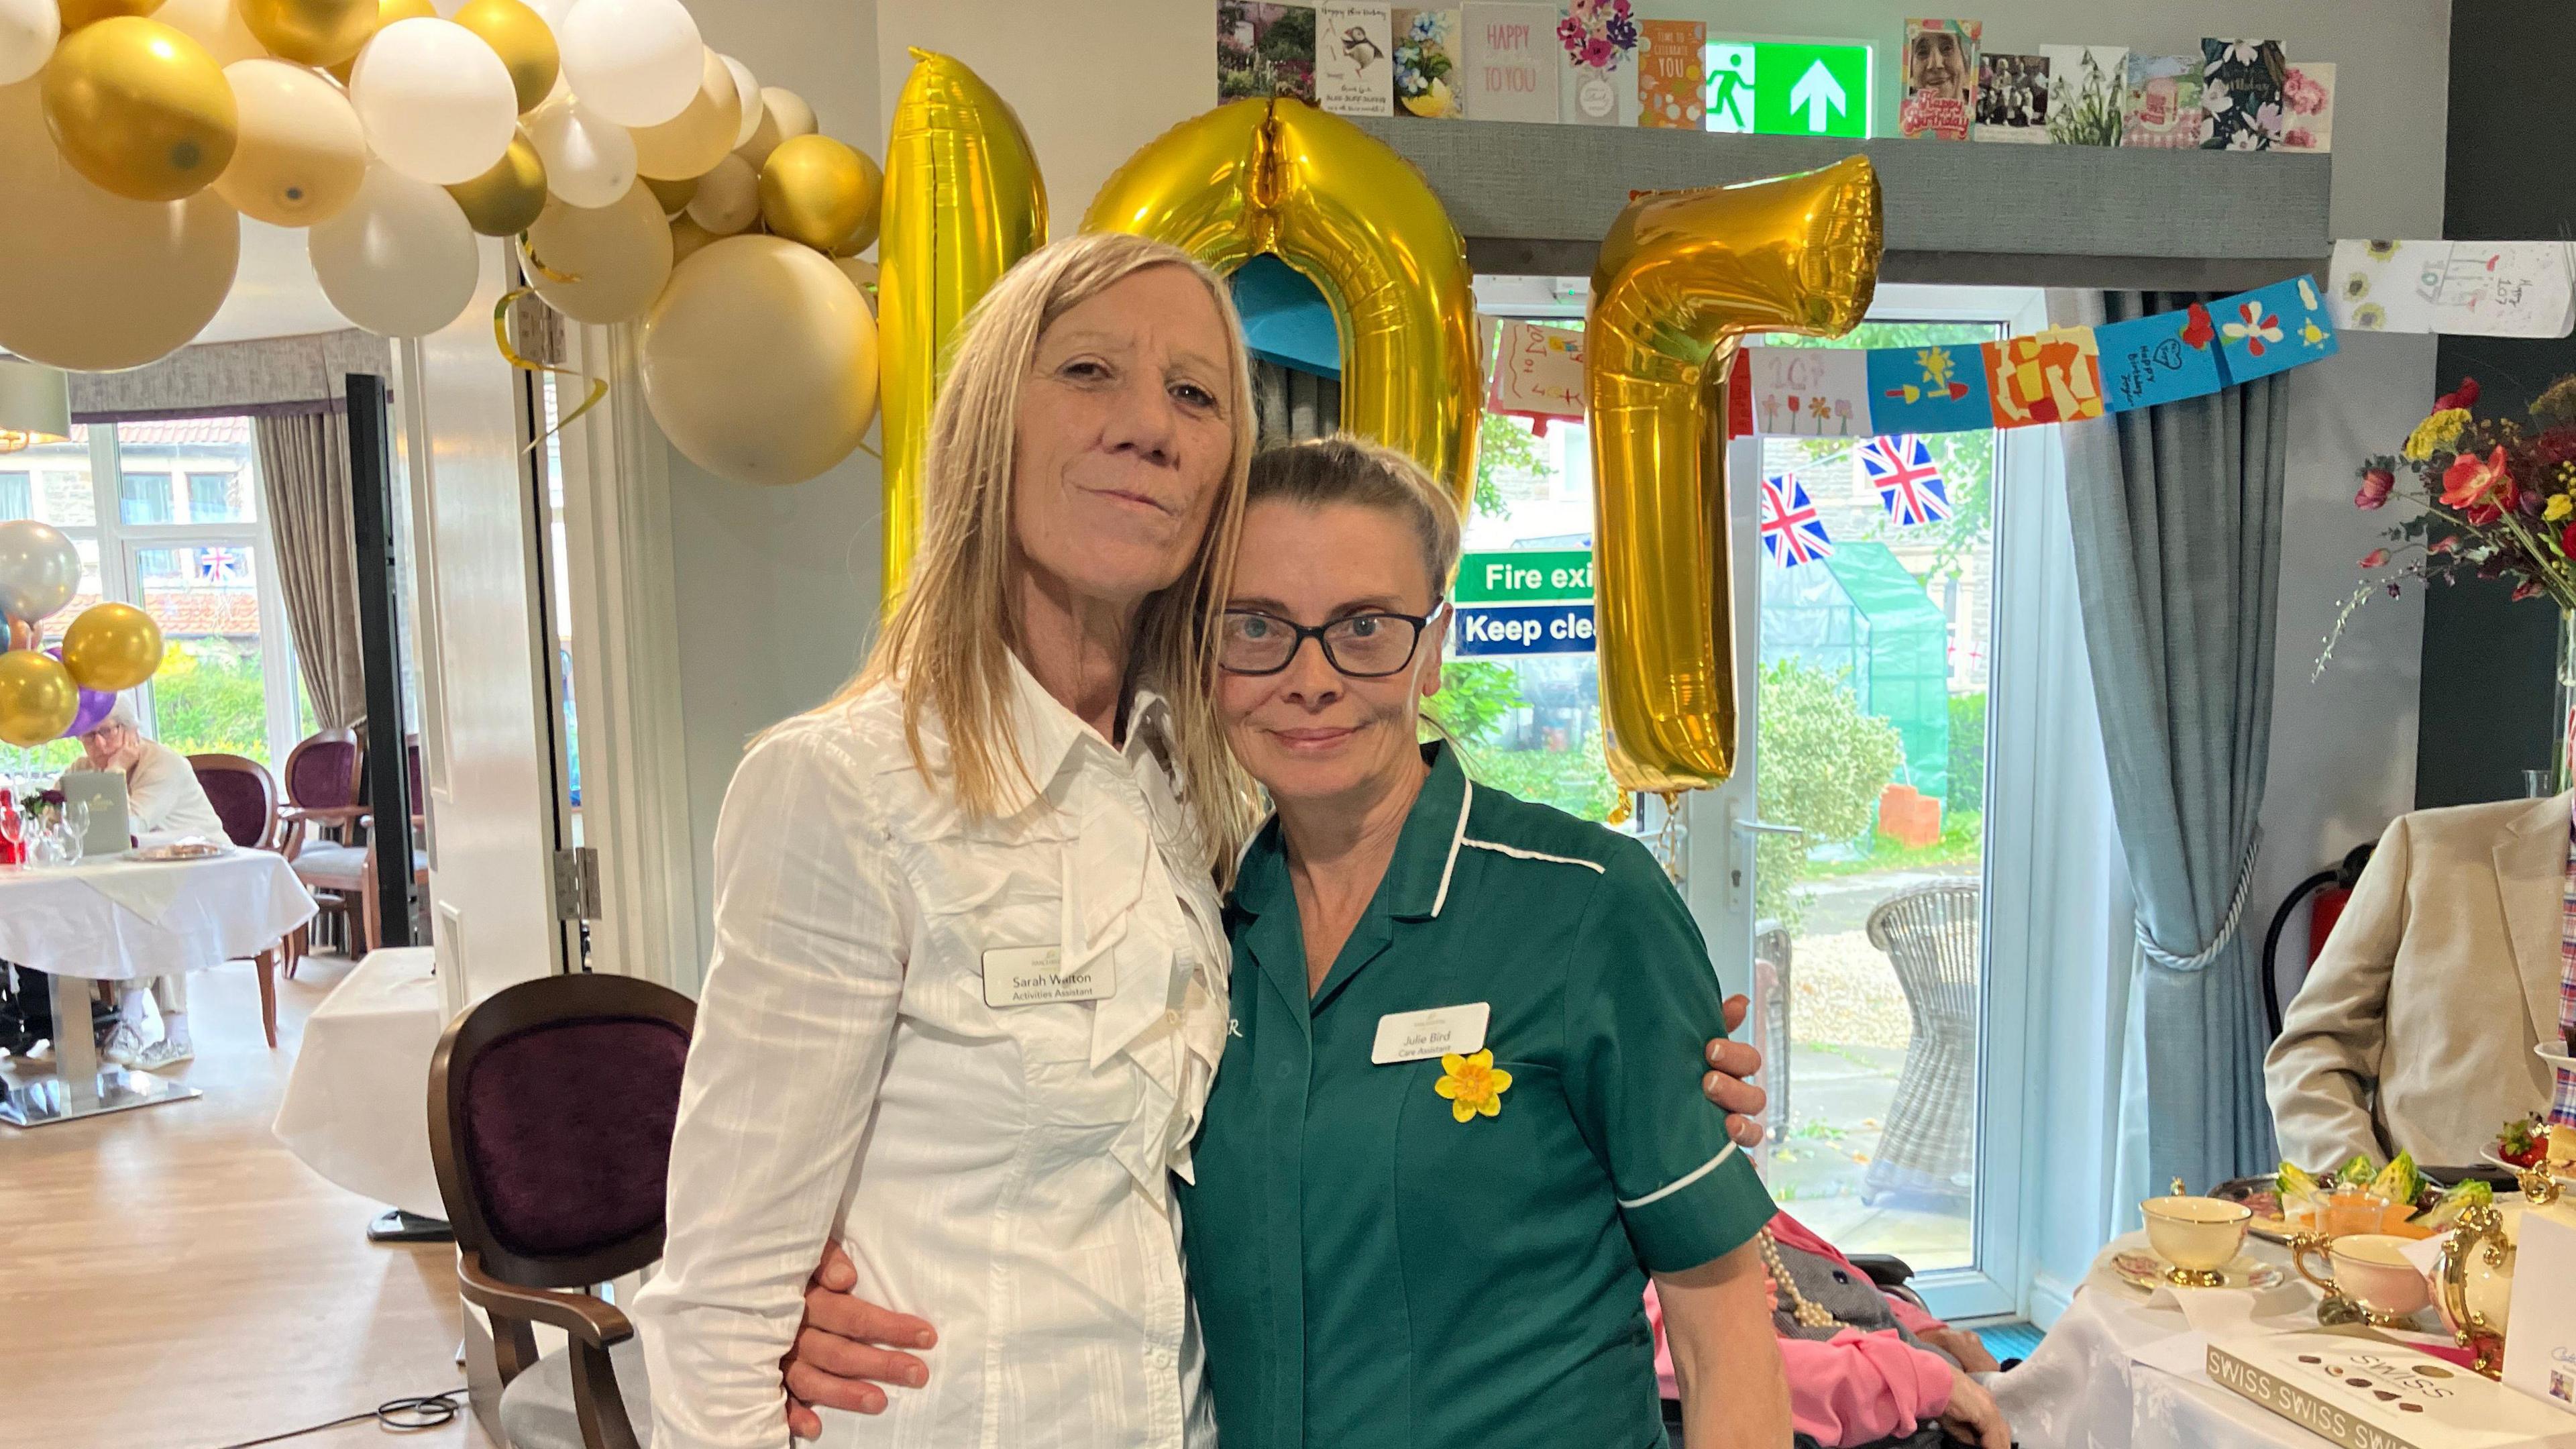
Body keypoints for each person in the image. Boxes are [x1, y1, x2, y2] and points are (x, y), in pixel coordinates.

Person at [621, 236, 1771, 1449]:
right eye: (1086, 373)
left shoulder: (1192, 814)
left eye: (1194, 392)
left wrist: (1673, 1085)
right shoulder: (847, 789)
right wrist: (790, 1322)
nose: (1147, 427)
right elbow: (722, 1298)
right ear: (986, 426)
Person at [2266, 790, 2571, 1169]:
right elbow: (2311, 1053)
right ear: (2572, 738)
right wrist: (2369, 1203)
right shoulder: (2427, 850)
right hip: (2436, 1216)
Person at [1646, 1212, 2011, 1449]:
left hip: (1947, 1392)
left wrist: (1930, 1333)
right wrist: (1927, 1383)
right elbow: (1733, 1369)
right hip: (1891, 1428)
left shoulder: (1739, 1205)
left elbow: (1843, 1281)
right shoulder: (1646, 1247)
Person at [65, 696, 224, 1069]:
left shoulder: (164, 764)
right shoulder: (84, 767)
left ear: (132, 730)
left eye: (108, 732)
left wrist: (116, 773)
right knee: (139, 901)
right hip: (143, 878)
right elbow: (63, 820)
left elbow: (126, 827)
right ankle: (168, 1033)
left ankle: (134, 1021)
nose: (100, 746)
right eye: (89, 737)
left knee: (151, 905)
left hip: (207, 870)